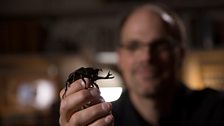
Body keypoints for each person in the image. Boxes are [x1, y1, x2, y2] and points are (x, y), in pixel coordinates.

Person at [59, 3, 224, 126]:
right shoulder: (99, 119)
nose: (146, 57)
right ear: (120, 57)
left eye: (160, 45)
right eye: (134, 46)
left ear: (180, 54)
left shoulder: (217, 109)